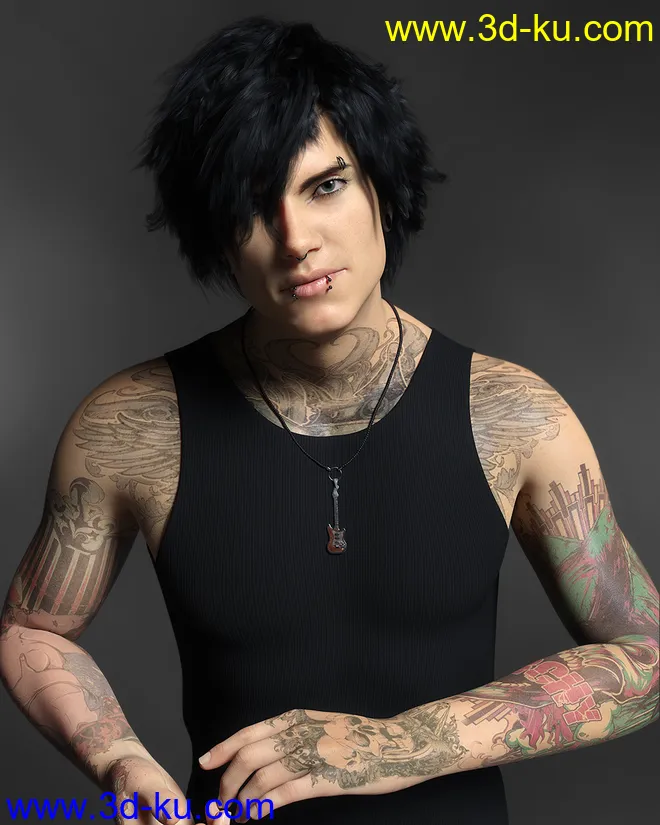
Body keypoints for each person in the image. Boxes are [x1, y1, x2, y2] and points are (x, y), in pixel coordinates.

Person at [1, 14, 657, 825]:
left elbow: (645, 657)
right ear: (217, 237)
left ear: (382, 183)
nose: (296, 239)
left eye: (325, 186)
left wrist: (399, 744)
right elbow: (33, 630)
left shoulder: (516, 415)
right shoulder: (130, 427)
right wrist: (119, 757)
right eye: (253, 206)